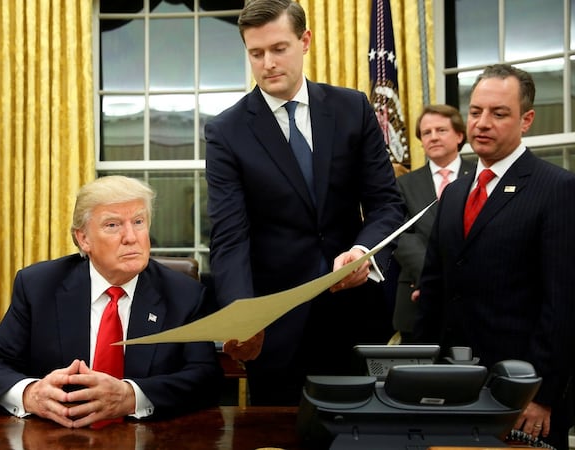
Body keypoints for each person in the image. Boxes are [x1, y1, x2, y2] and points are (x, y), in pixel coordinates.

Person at [204, 0, 405, 406]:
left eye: (279, 48)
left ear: (305, 41)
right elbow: (230, 236)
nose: (267, 64)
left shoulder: (353, 108)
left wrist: (364, 251)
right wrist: (243, 318)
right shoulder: (226, 130)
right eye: (256, 53)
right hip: (275, 332)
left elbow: (386, 204)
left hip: (356, 319)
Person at [0, 175, 223, 428]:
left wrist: (131, 397)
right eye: (113, 225)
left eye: (138, 222)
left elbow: (206, 379)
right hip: (59, 440)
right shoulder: (39, 286)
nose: (131, 237)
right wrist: (31, 394)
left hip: (149, 439)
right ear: (83, 239)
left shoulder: (184, 294)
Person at [414, 64, 575, 450]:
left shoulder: (558, 189)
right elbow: (434, 288)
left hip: (520, 396)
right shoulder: (455, 192)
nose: (482, 123)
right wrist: (417, 375)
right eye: (475, 111)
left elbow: (563, 305)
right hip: (451, 387)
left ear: (527, 120)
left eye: (499, 113)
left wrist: (541, 395)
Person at [391, 105, 475, 343]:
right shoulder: (403, 184)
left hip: (472, 297)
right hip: (417, 298)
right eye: (426, 132)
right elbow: (402, 235)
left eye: (441, 130)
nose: (434, 137)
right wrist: (433, 279)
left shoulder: (481, 176)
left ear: (459, 136)